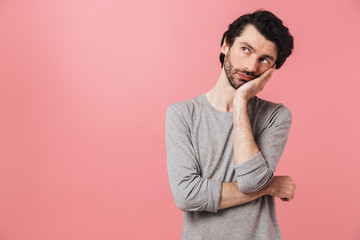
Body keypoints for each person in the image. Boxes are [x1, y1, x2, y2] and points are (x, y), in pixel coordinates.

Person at [165, 10, 296, 240]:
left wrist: (241, 100)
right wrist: (268, 187)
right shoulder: (182, 114)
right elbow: (187, 195)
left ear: (272, 69)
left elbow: (251, 181)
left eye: (264, 60)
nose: (251, 67)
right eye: (245, 50)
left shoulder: (276, 116)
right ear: (226, 45)